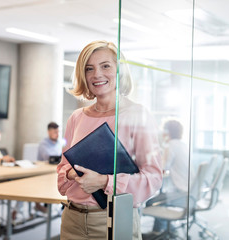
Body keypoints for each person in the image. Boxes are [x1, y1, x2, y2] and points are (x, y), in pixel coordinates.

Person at [57, 40, 163, 240]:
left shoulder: (137, 115)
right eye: (89, 69)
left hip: (113, 220)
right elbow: (62, 168)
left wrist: (104, 181)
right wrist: (72, 173)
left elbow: (154, 179)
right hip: (72, 220)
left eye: (105, 66)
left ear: (119, 71)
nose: (97, 74)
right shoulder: (76, 117)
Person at [146, 118, 194, 233]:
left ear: (168, 132)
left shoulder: (171, 145)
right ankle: (168, 228)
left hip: (181, 192)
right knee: (161, 196)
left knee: (151, 202)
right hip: (189, 190)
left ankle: (158, 231)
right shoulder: (183, 145)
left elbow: (162, 168)